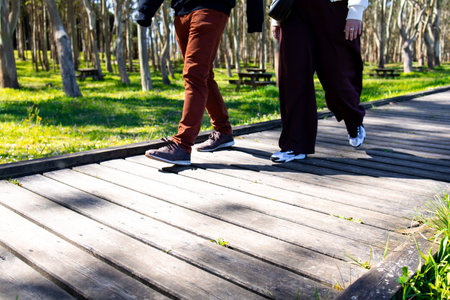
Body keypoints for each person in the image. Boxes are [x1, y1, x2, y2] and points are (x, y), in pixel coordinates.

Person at [137, 0, 264, 166]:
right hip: (181, 11)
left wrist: (255, 18)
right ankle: (223, 131)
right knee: (203, 75)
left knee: (194, 74)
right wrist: (146, 9)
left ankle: (182, 145)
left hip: (210, 7)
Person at [270, 0, 368, 163]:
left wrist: (356, 10)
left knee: (338, 77)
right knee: (293, 77)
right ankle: (295, 145)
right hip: (294, 9)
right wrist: (276, 17)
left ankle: (353, 119)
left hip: (334, 8)